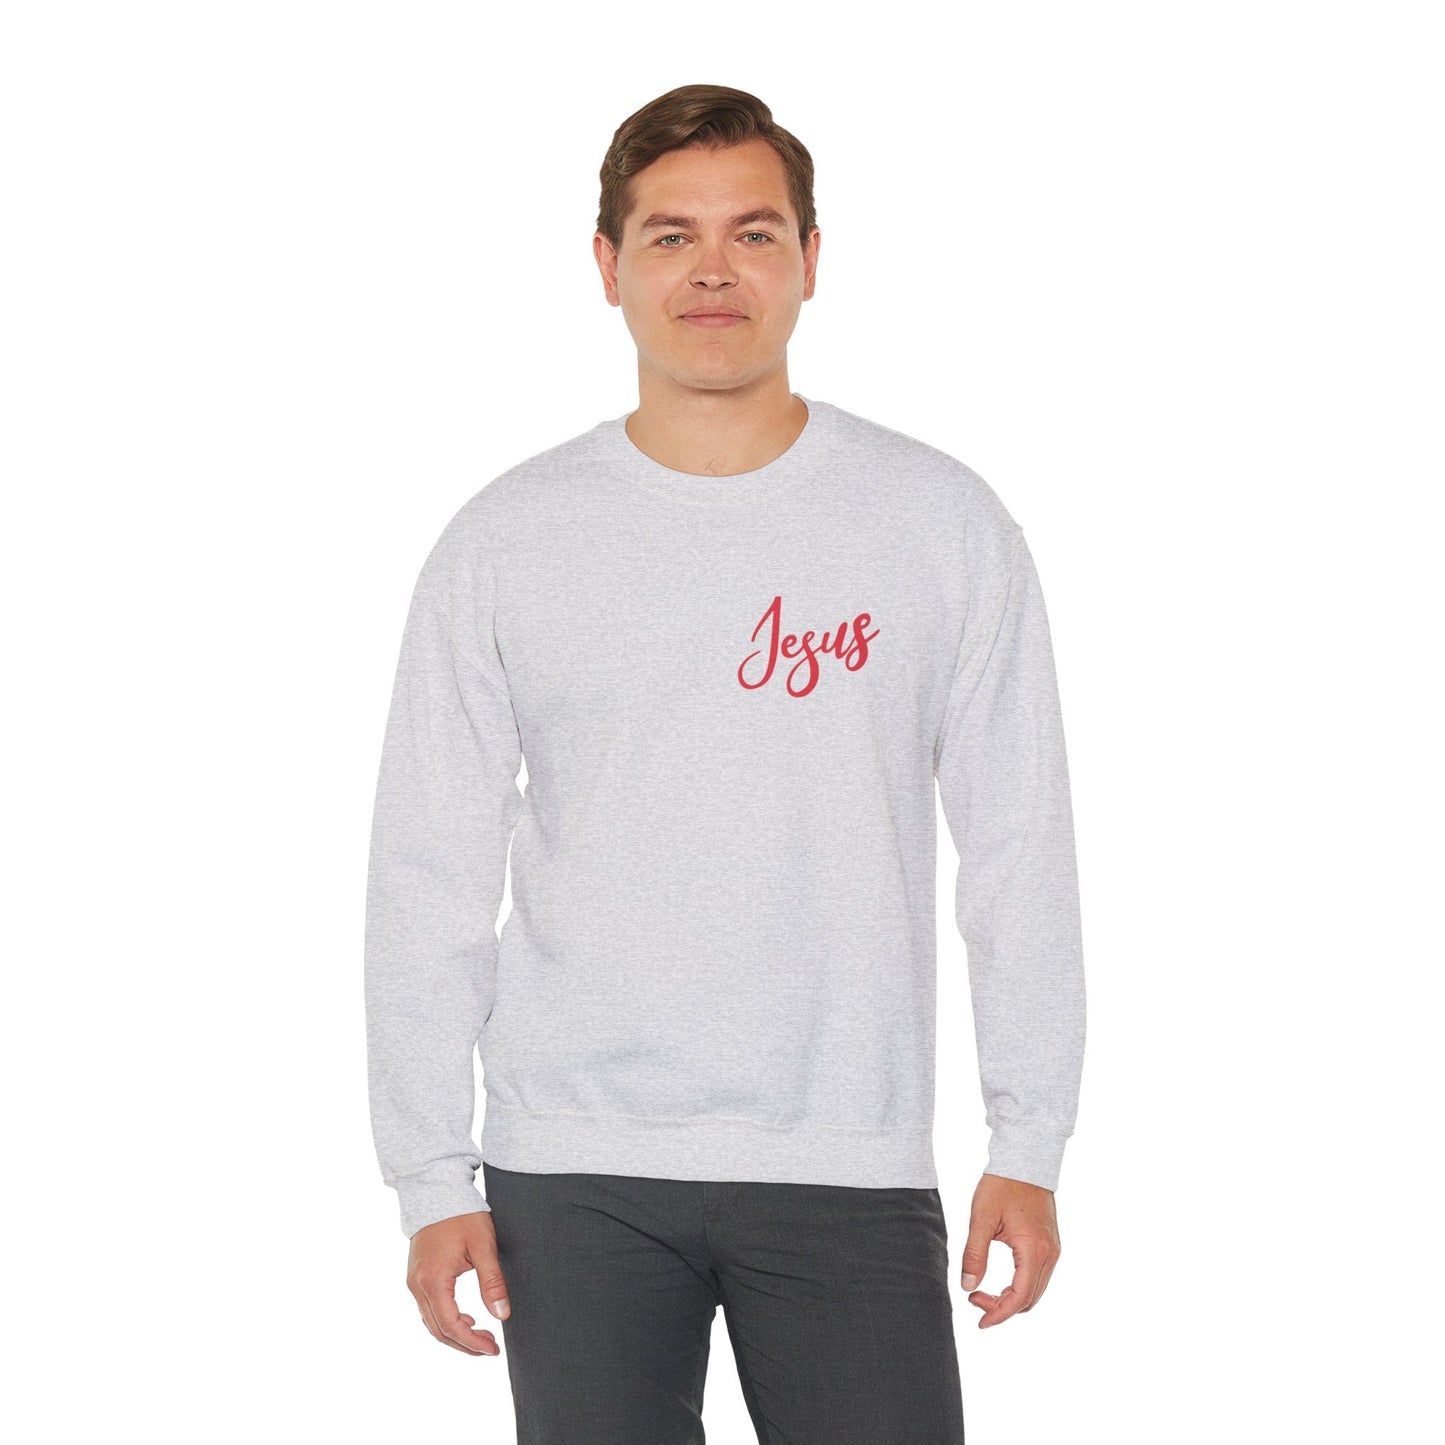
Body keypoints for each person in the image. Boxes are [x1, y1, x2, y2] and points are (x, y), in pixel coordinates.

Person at [364, 82, 1086, 1444]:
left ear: (810, 259)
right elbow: (427, 875)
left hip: (848, 1152)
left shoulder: (938, 525)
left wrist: (1028, 1140)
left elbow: (1018, 849)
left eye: (752, 233)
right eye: (669, 235)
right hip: (569, 1167)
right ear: (607, 266)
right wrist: (429, 1174)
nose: (712, 271)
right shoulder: (507, 541)